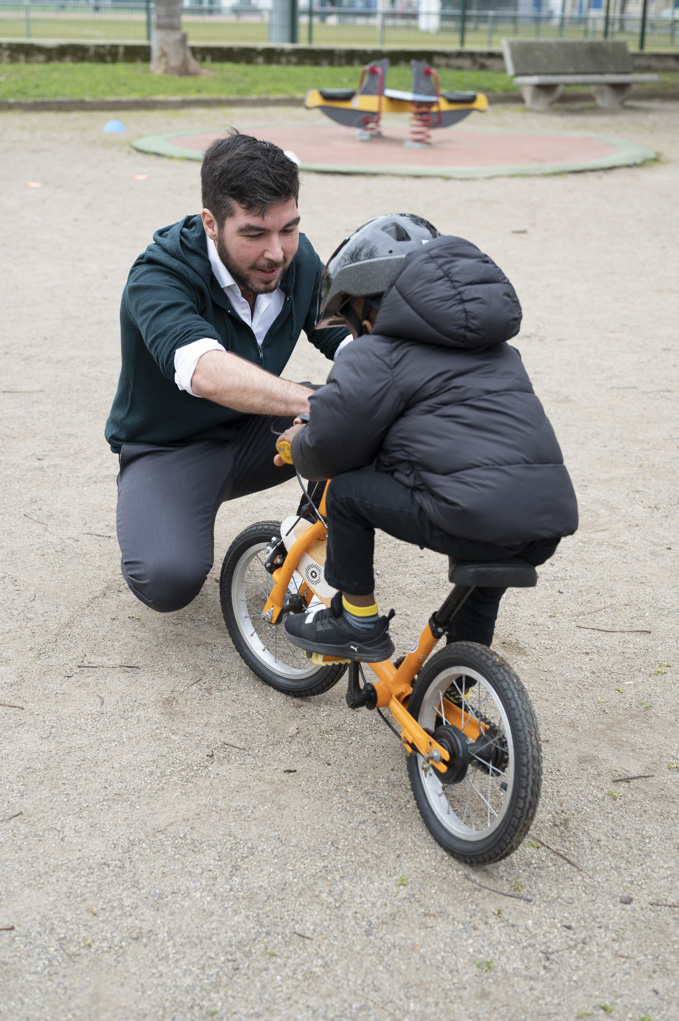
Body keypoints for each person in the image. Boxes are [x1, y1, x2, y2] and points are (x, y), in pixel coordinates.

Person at [276, 213, 579, 662]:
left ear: (369, 303)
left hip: (472, 513)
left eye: (350, 315)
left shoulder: (377, 353)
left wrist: (297, 444)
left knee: (347, 493)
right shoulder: (496, 349)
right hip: (542, 521)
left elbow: (330, 448)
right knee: (477, 595)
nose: (353, 330)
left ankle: (355, 621)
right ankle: (457, 690)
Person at [105, 130, 348, 613]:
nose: (277, 252)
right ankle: (162, 508)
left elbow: (345, 336)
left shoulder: (295, 260)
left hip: (258, 433)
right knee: (169, 580)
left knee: (371, 420)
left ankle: (307, 539)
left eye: (289, 229)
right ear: (211, 223)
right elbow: (206, 373)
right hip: (171, 447)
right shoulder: (159, 274)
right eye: (254, 234)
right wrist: (318, 403)